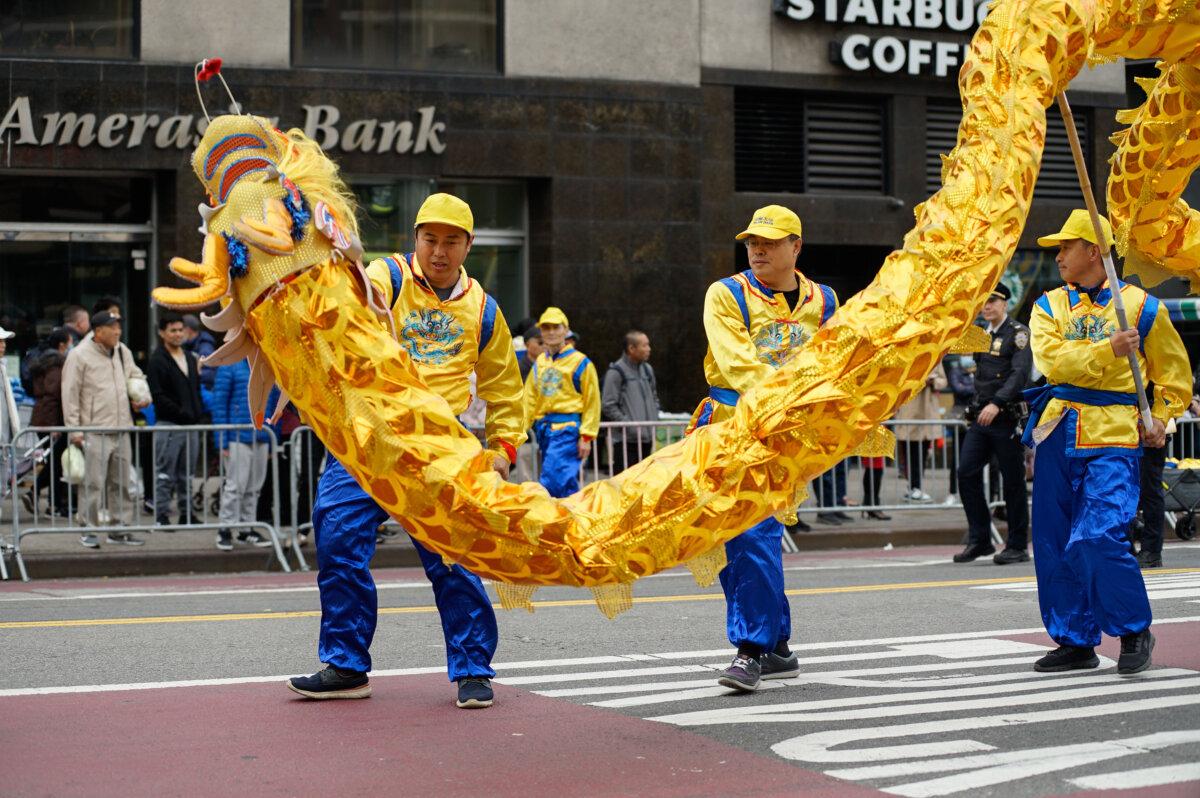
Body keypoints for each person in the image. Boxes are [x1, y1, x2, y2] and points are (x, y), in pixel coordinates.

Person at [288, 193, 525, 709]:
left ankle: (473, 669)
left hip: (440, 445)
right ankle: (346, 666)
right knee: (337, 540)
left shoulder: (483, 309)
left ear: (468, 246)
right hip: (369, 438)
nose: (439, 251)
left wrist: (503, 450)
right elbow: (346, 301)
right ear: (415, 238)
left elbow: (506, 388)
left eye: (451, 241)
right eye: (430, 239)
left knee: (454, 557)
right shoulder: (386, 278)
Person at [1024, 209, 1190, 675]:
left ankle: (1135, 629)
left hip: (1114, 434)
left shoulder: (1141, 306)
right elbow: (1053, 363)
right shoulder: (1047, 306)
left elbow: (1174, 375)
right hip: (1059, 429)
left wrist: (1161, 417)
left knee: (1098, 533)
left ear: (1093, 250)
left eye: (1065, 247)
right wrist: (1106, 350)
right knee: (1055, 541)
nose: (1058, 257)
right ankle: (1075, 640)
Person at [687, 204, 836, 692]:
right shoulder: (726, 293)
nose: (758, 250)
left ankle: (752, 649)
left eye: (770, 243)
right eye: (753, 242)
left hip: (787, 435)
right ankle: (777, 644)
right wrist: (787, 397)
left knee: (754, 536)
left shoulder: (825, 301)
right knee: (736, 540)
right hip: (732, 426)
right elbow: (736, 362)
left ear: (797, 246)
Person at [953, 282, 1033, 564]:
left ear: (1005, 304)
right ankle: (980, 539)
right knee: (966, 472)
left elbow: (1019, 374)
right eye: (984, 302)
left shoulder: (1019, 334)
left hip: (1005, 416)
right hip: (981, 417)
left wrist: (997, 402)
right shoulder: (980, 335)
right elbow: (977, 376)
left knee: (1012, 481)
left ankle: (1017, 545)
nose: (987, 307)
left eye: (993, 302)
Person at [61, 311, 149, 547]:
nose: (118, 331)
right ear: (98, 331)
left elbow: (135, 375)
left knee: (121, 482)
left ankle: (119, 528)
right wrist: (75, 430)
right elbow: (70, 395)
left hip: (122, 427)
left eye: (119, 326)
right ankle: (87, 528)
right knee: (92, 483)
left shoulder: (122, 350)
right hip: (93, 430)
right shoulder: (78, 355)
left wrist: (142, 394)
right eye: (113, 327)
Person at [523, 307, 600, 498]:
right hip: (544, 430)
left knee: (554, 481)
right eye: (546, 327)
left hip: (567, 429)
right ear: (541, 331)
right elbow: (529, 398)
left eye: (555, 327)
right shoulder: (541, 361)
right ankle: (567, 523)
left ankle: (562, 523)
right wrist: (520, 430)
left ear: (566, 330)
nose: (550, 332)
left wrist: (587, 436)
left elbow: (592, 400)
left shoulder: (581, 362)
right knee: (562, 484)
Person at [146, 314, 206, 528]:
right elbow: (158, 396)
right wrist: (182, 412)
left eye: (181, 330)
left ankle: (186, 513)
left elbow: (196, 389)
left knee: (187, 474)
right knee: (165, 473)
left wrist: (196, 412)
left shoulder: (190, 358)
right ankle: (161, 514)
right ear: (162, 333)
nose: (178, 334)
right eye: (173, 330)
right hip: (169, 424)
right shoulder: (157, 360)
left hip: (191, 425)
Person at [211, 359, 274, 550]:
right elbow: (219, 404)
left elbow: (272, 402)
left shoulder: (267, 363)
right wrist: (222, 440)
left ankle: (246, 528)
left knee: (254, 487)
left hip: (261, 434)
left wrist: (272, 440)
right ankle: (225, 528)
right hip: (237, 435)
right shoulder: (230, 364)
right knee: (235, 486)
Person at [28, 328, 73, 517]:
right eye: (70, 343)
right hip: (51, 420)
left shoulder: (43, 362)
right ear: (63, 345)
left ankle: (52, 502)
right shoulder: (56, 364)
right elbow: (53, 395)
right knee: (56, 463)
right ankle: (40, 493)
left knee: (55, 462)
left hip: (42, 417)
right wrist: (55, 425)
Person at [601, 329, 660, 472]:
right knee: (625, 487)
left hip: (646, 439)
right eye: (644, 346)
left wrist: (655, 415)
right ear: (631, 349)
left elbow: (654, 396)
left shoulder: (647, 370)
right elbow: (608, 405)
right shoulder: (616, 372)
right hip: (626, 442)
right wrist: (630, 426)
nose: (648, 349)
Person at [894, 361, 948, 502]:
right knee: (910, 450)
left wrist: (933, 381)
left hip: (928, 411)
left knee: (923, 451)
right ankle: (913, 487)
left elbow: (943, 381)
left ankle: (916, 487)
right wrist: (918, 379)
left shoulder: (936, 357)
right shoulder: (907, 356)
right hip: (910, 410)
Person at [181, 313, 218, 392]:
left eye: (181, 329)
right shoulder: (187, 345)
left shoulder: (205, 347)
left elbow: (209, 374)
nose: (179, 334)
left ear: (188, 329)